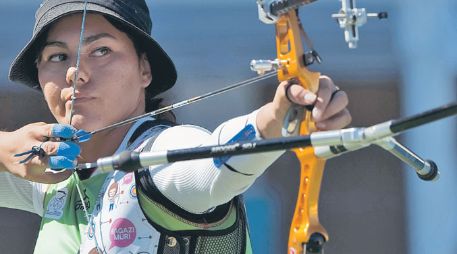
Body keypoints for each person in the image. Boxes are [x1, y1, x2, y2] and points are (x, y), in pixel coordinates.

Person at [0, 0, 351, 253]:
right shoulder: (47, 177)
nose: (76, 72)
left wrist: (279, 116)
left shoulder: (158, 160)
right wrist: (4, 150)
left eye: (102, 50)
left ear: (144, 71)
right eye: (57, 57)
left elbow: (216, 162)